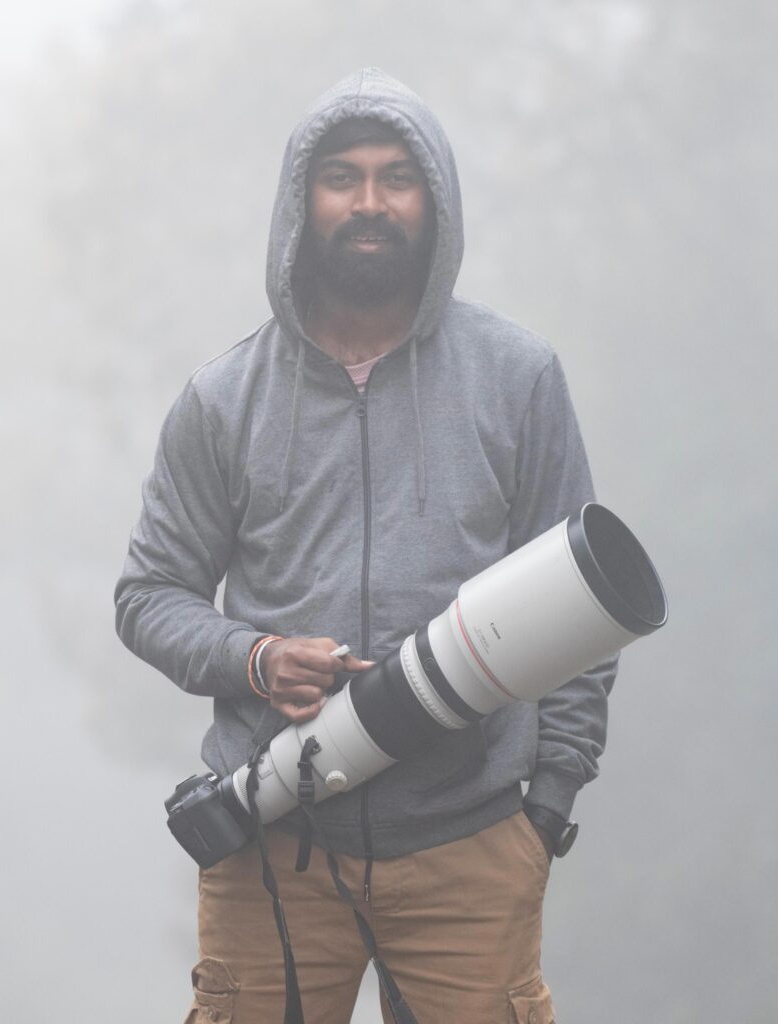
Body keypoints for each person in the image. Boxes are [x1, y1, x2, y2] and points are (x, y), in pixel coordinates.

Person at [115, 67, 617, 1024]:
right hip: (269, 841)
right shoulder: (224, 398)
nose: (371, 202)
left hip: (472, 848)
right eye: (342, 177)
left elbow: (585, 609)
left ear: (436, 200)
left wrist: (549, 800)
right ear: (301, 201)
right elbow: (148, 594)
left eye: (398, 177)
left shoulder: (517, 377)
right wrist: (255, 657)